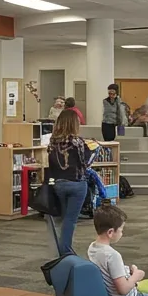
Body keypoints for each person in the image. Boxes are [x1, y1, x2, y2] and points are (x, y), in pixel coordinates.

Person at [46, 109, 90, 256]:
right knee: (71, 220)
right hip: (76, 183)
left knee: (65, 218)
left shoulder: (53, 142)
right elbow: (84, 163)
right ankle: (65, 251)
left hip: (59, 184)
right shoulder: (78, 142)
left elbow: (51, 165)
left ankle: (62, 247)